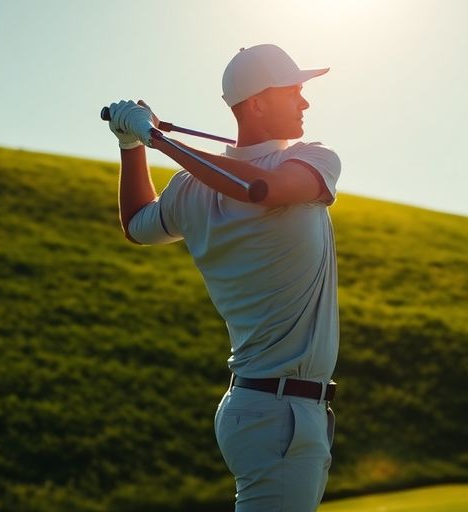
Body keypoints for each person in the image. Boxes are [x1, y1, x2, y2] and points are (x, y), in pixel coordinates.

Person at [106, 44, 340, 511]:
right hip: (278, 413)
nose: (305, 102)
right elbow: (257, 189)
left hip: (269, 410)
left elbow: (246, 186)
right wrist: (141, 143)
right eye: (293, 91)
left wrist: (139, 141)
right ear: (255, 103)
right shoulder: (309, 160)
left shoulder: (300, 162)